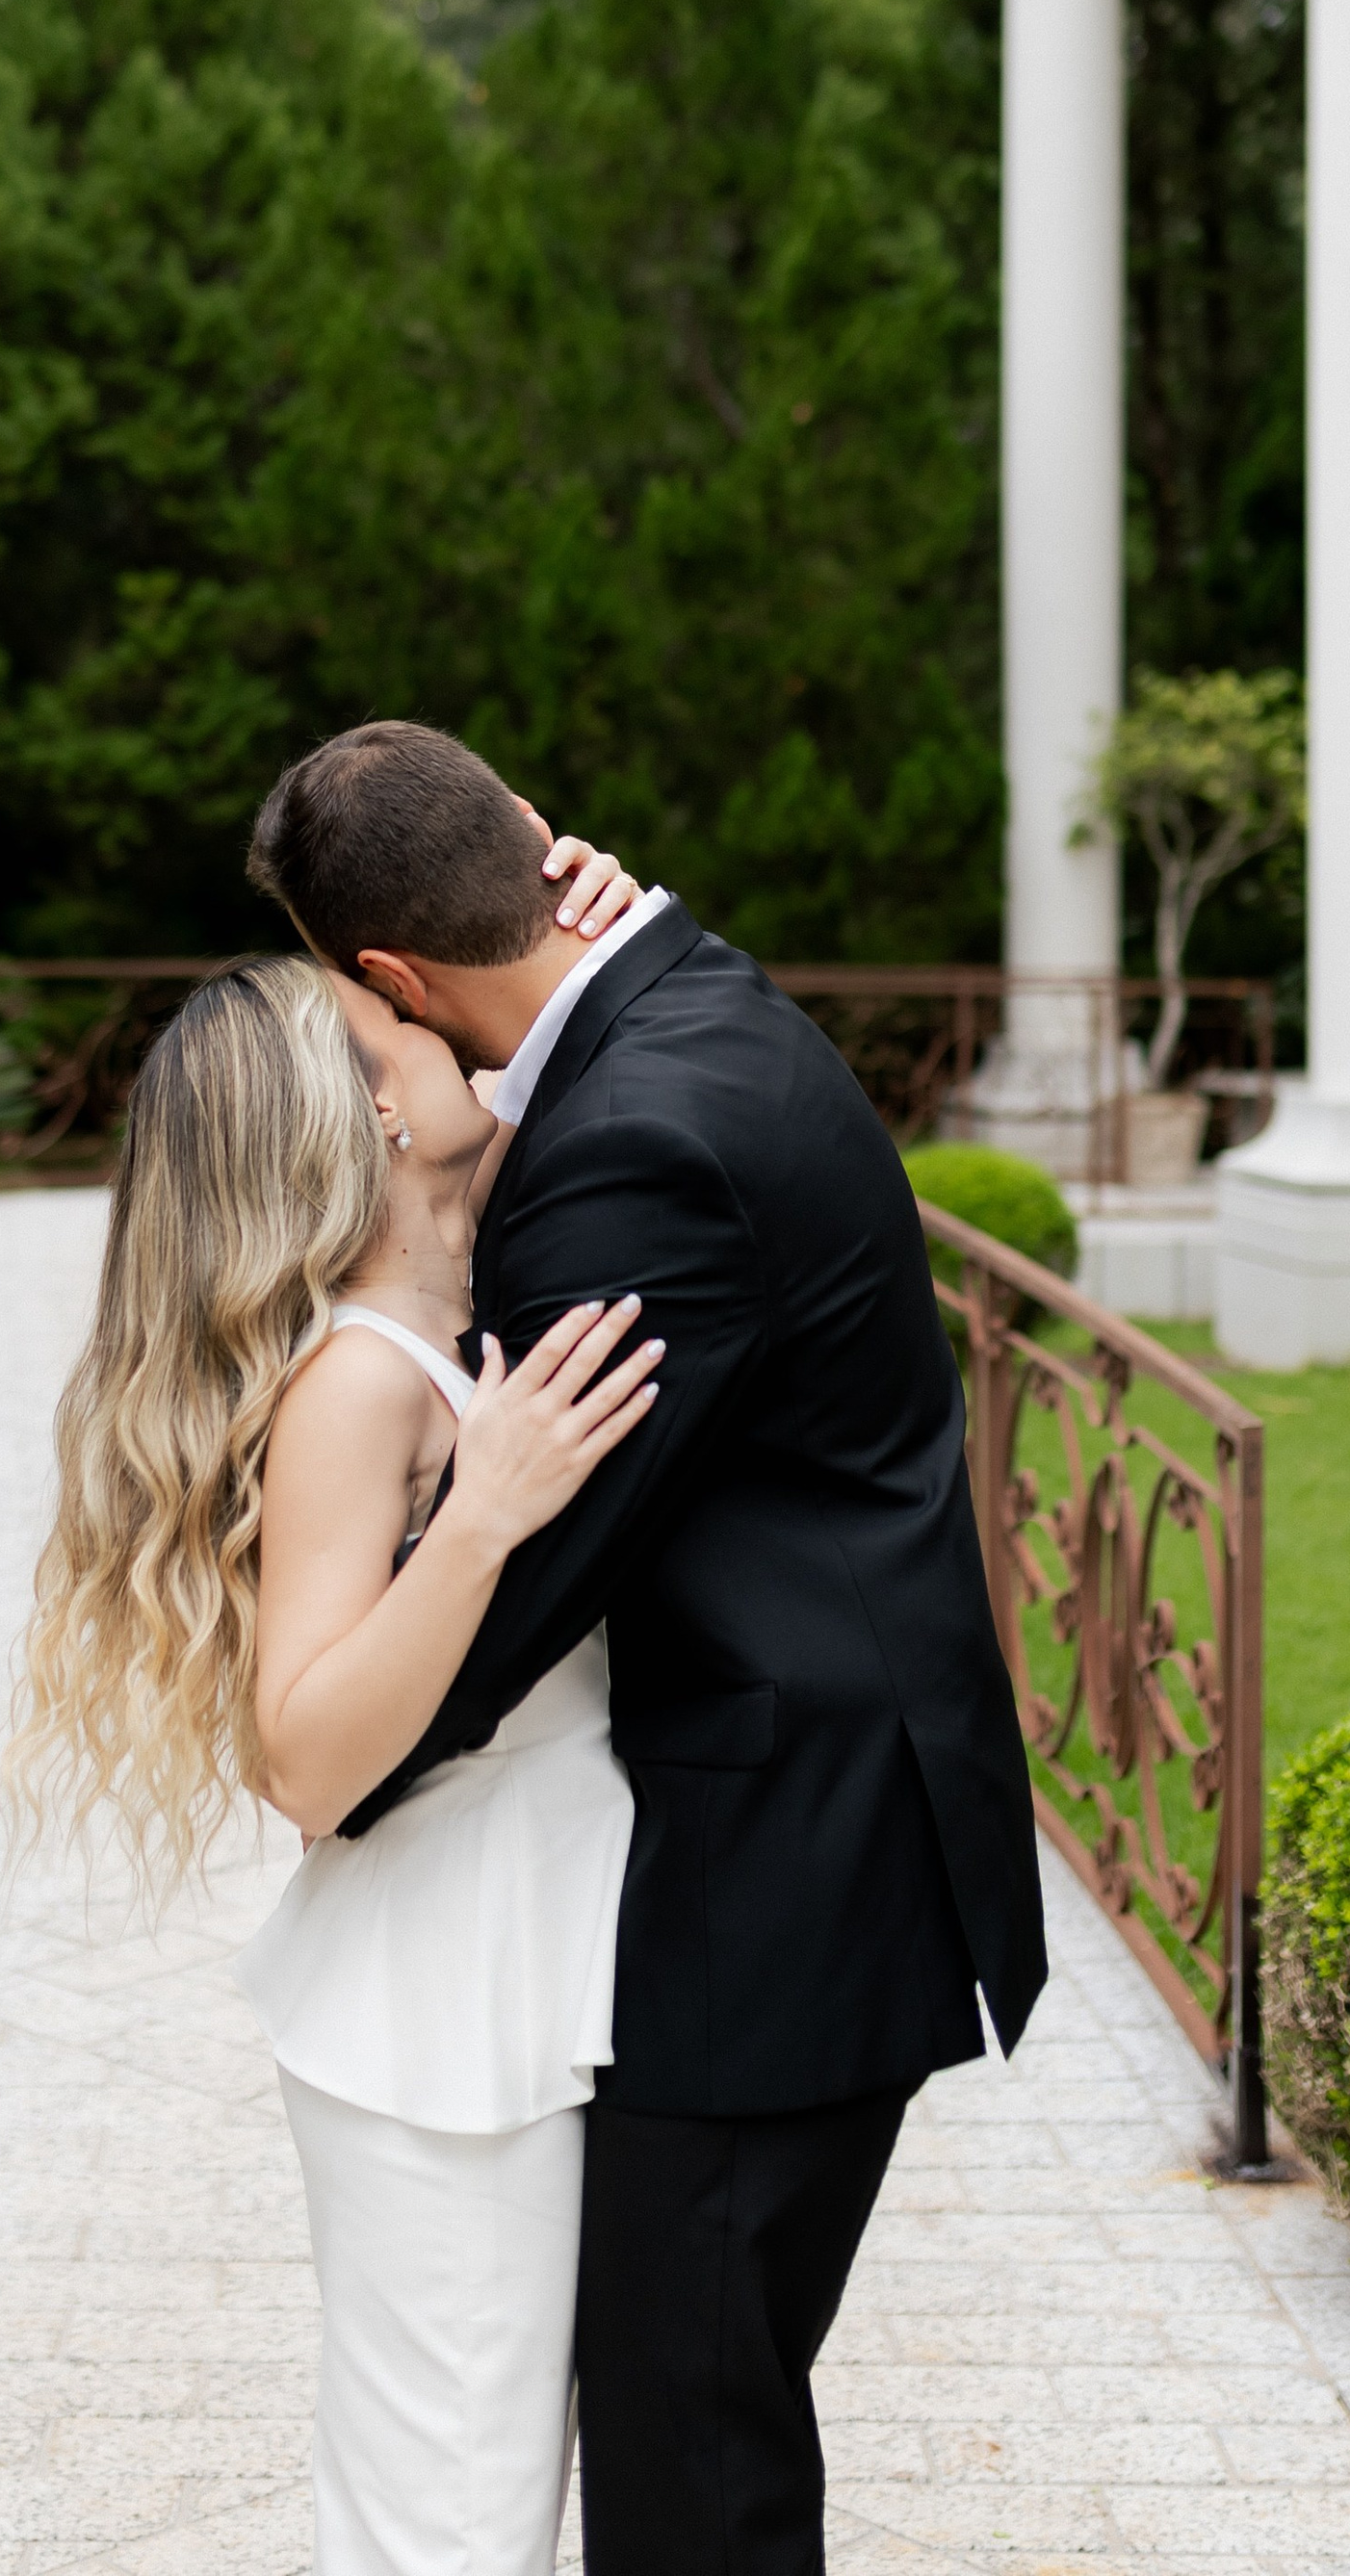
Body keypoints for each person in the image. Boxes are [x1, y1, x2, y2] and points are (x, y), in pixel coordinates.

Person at [245, 720, 1049, 2576]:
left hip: (778, 1886)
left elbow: (501, 1606)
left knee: (692, 2465)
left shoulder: (632, 1145)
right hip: (817, 1838)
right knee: (696, 2429)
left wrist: (328, 1756)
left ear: (388, 981)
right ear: (541, 838)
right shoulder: (693, 1006)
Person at [12, 832, 660, 2576]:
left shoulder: (440, 1298)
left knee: (471, 2490)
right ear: (372, 1116)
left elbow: (583, 1019)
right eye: (389, 1030)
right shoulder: (357, 1386)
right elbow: (300, 1756)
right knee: (450, 2510)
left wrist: (603, 916)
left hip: (494, 1971)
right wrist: (495, 1516)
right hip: (439, 2004)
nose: (432, 1019)